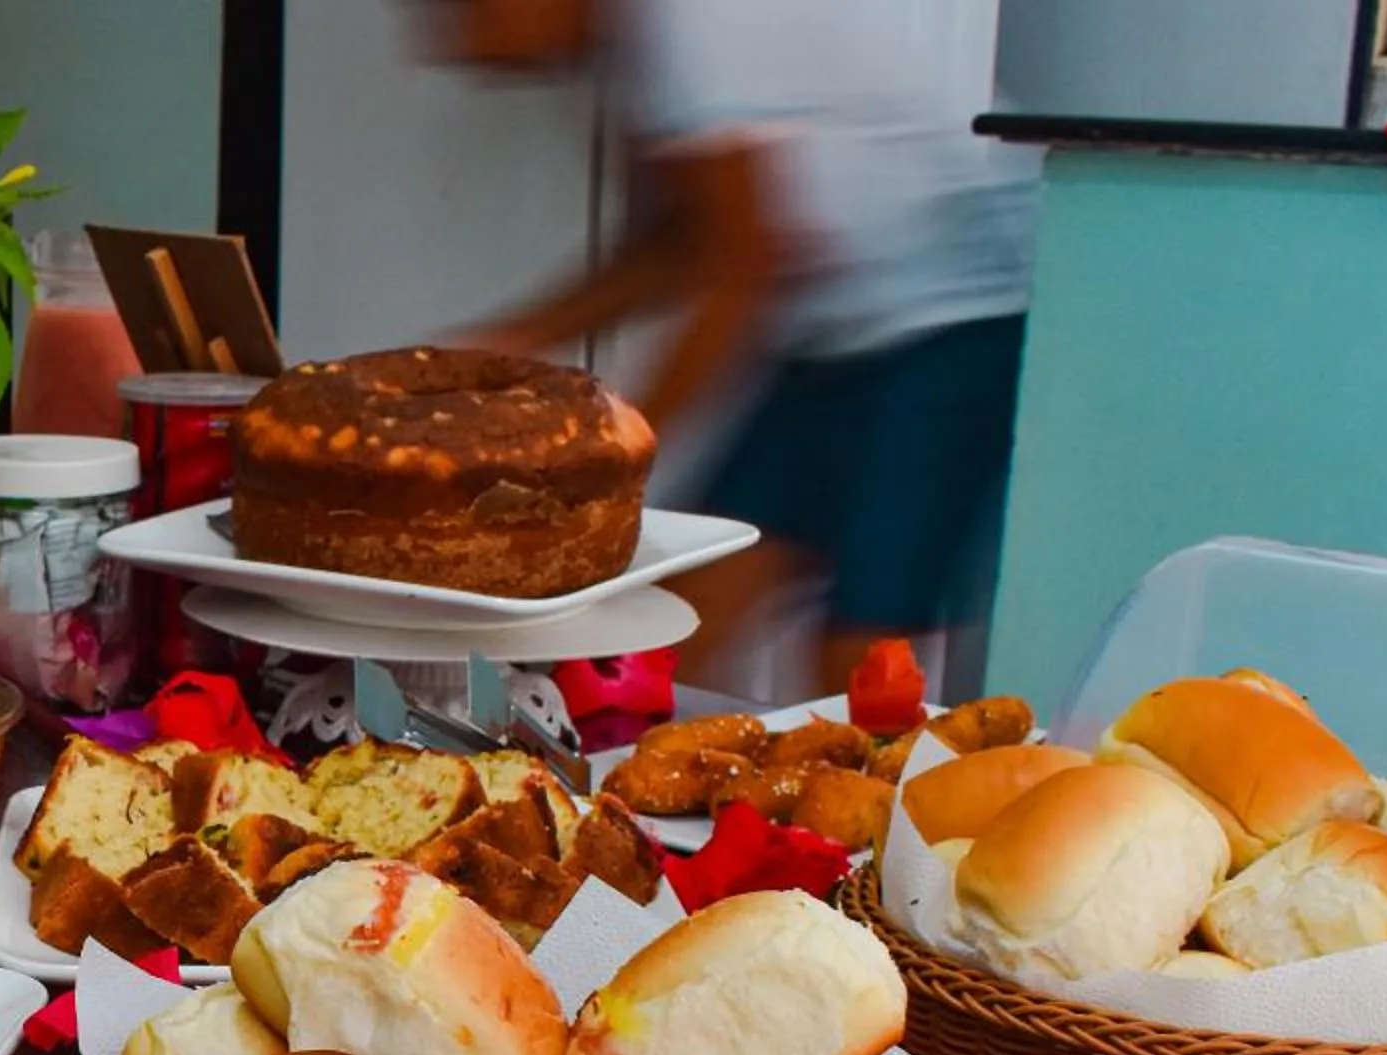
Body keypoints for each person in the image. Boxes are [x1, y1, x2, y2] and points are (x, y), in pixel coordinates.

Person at [438, 0, 1039, 701]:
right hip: (835, 335)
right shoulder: (642, 51)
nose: (452, 41)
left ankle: (859, 802)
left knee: (860, 665)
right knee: (679, 627)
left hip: (959, 324)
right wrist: (508, 341)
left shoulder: (689, 29)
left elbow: (742, 271)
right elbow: (679, 245)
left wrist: (605, 463)